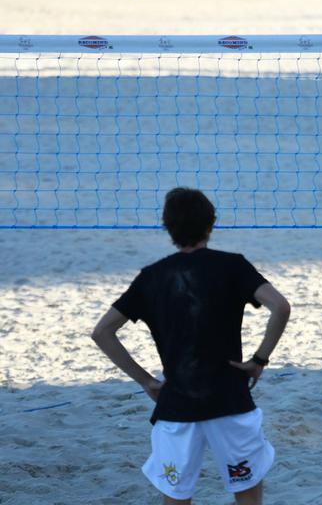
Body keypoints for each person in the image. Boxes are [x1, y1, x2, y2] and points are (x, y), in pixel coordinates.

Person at [91, 187, 290, 505]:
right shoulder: (232, 265)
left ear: (168, 228)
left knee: (177, 497)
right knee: (247, 494)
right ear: (210, 225)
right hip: (230, 399)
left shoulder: (151, 277)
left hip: (177, 405)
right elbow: (281, 307)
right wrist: (259, 360)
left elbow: (102, 332)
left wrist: (146, 381)